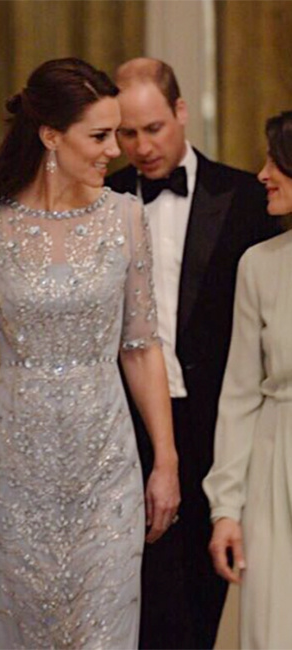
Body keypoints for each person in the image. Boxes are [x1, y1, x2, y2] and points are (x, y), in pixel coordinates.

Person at [0, 57, 180, 650]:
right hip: (18, 469)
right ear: (50, 135)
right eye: (100, 136)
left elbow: (141, 346)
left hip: (107, 468)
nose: (115, 150)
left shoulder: (126, 217)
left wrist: (165, 461)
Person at [106, 58, 282, 650]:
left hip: (214, 426)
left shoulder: (245, 196)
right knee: (129, 607)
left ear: (181, 112)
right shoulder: (101, 200)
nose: (142, 146)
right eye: (127, 133)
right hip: (124, 428)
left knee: (200, 608)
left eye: (153, 128)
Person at [204, 111, 292, 649]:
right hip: (273, 471)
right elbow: (238, 397)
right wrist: (226, 509)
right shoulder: (258, 266)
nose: (262, 174)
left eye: (275, 161)